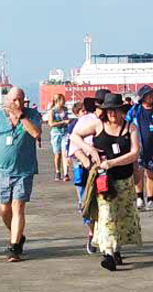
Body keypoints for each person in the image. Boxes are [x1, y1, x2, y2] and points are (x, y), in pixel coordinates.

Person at [71, 93, 142, 271]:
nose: (112, 114)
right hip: (103, 180)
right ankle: (108, 253)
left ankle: (116, 249)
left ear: (121, 112)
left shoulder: (130, 128)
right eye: (109, 111)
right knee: (106, 215)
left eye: (116, 111)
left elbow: (134, 153)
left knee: (122, 216)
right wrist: (90, 150)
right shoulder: (97, 124)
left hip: (124, 179)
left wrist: (113, 163)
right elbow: (75, 136)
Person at [0, 87, 43, 262]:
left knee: (18, 206)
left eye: (20, 99)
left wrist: (21, 116)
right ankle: (19, 236)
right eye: (14, 100)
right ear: (7, 101)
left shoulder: (32, 115)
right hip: (1, 170)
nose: (17, 103)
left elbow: (36, 133)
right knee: (5, 210)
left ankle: (14, 247)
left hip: (24, 170)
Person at [68, 89, 111, 254]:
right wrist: (87, 160)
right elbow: (73, 145)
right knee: (85, 203)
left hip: (107, 168)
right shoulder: (86, 120)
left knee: (106, 202)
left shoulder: (113, 120)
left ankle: (107, 237)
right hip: (86, 168)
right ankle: (92, 232)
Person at [47, 94, 70, 182]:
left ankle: (66, 174)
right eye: (63, 100)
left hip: (65, 132)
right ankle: (57, 171)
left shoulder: (65, 109)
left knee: (65, 153)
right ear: (58, 100)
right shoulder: (52, 111)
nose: (64, 102)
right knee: (57, 154)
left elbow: (67, 118)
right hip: (56, 133)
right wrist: (63, 121)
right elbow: (51, 124)